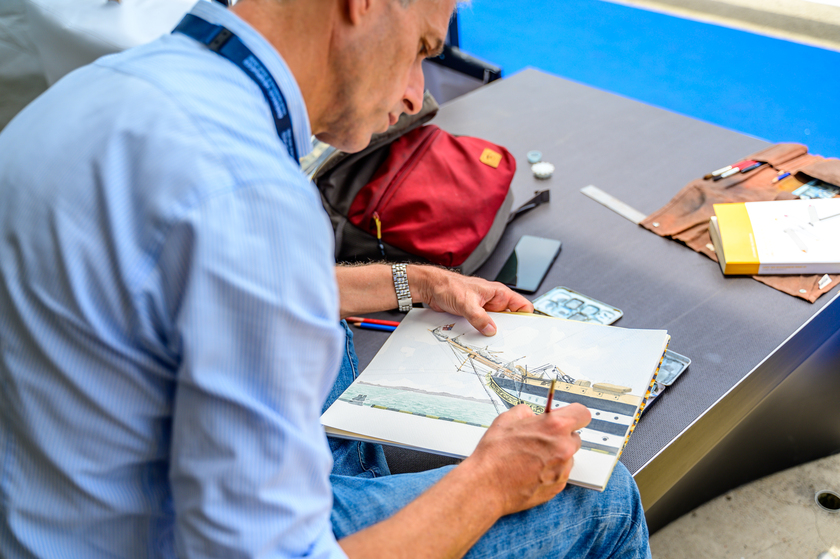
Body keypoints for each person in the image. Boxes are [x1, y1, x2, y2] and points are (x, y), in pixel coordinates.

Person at [0, 0, 651, 557]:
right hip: (156, 535)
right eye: (421, 48)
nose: (415, 95)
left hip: (54, 509)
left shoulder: (96, 94)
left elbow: (196, 283)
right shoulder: (249, 195)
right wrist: (489, 482)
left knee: (336, 346)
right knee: (603, 496)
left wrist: (416, 282)